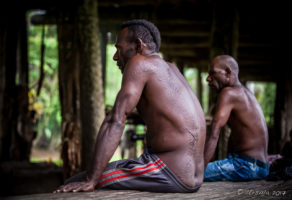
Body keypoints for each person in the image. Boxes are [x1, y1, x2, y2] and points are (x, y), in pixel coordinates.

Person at [54, 19, 206, 193]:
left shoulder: (139, 63)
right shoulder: (171, 68)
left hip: (168, 171)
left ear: (137, 46)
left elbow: (115, 120)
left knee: (74, 182)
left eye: (119, 49)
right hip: (193, 176)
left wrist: (91, 180)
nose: (115, 56)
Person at [204, 55, 269, 181]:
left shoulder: (228, 93)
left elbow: (214, 132)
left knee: (188, 174)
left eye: (212, 73)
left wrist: (200, 167)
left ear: (228, 73)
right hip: (260, 166)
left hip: (247, 166)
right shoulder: (245, 93)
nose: (208, 79)